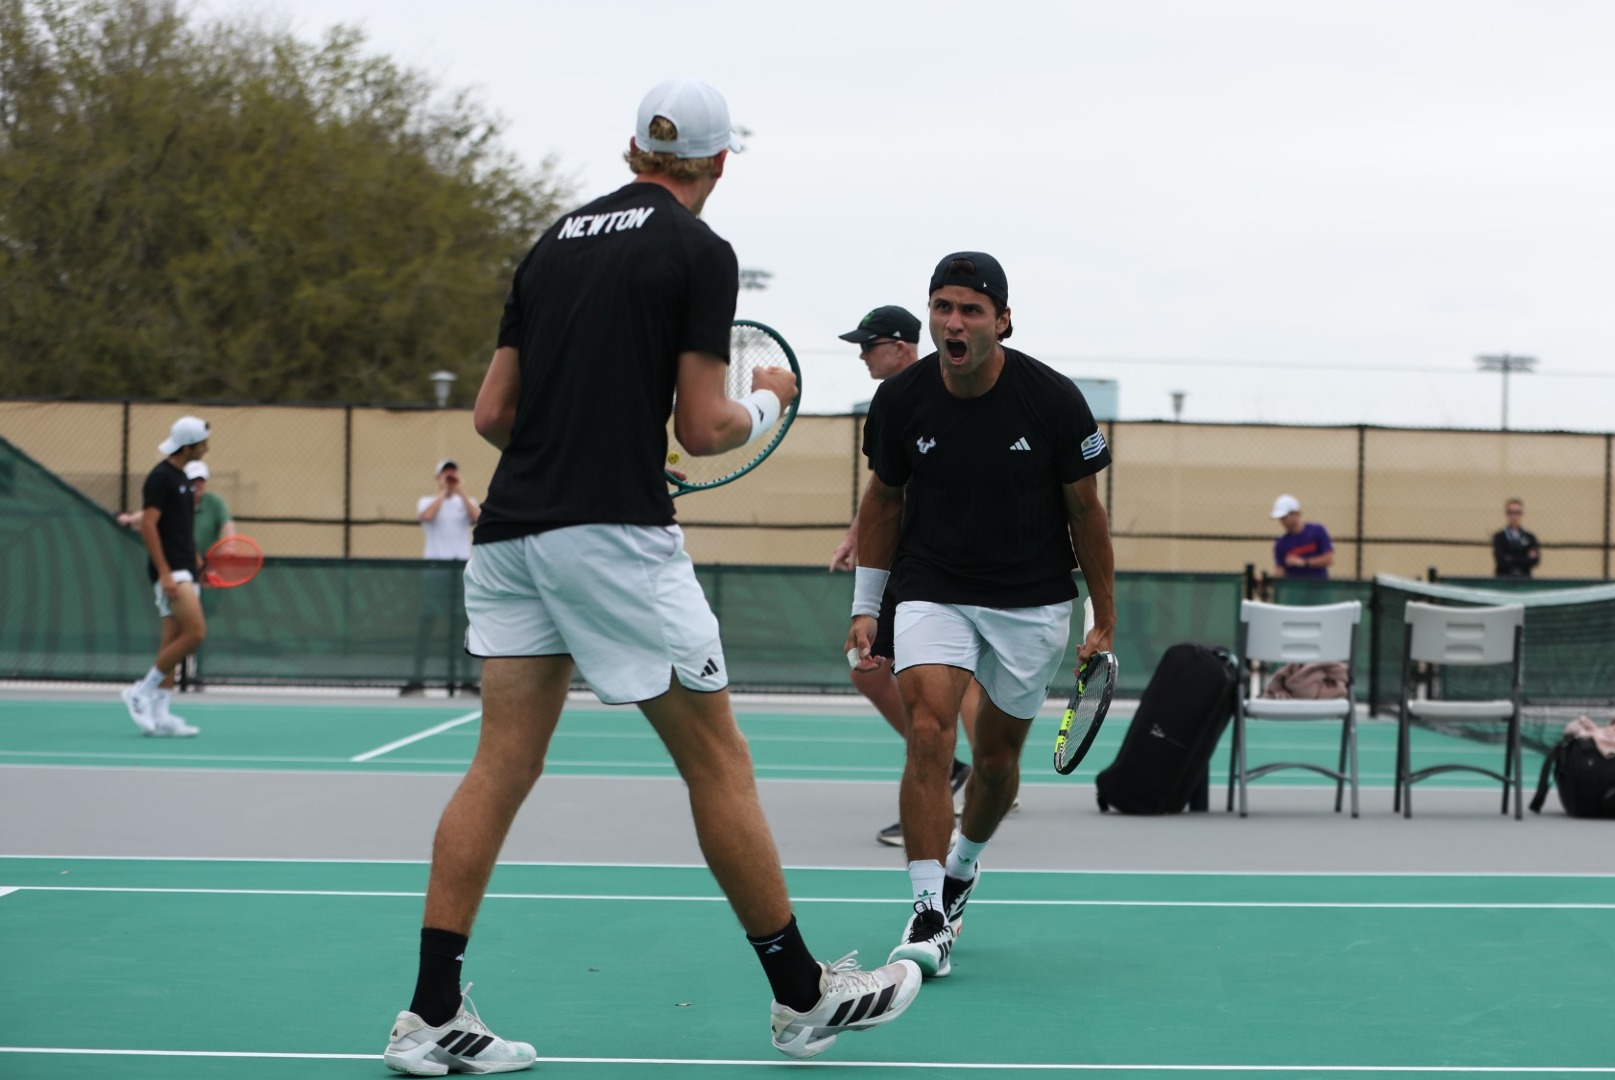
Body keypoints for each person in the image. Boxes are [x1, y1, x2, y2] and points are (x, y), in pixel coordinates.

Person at [381, 78, 919, 1077]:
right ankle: (803, 997)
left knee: (500, 763)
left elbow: (494, 416)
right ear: (719, 164)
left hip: (511, 538)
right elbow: (704, 427)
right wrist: (766, 400)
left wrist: (607, 437)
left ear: (634, 149)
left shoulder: (549, 246)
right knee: (718, 761)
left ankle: (428, 1013)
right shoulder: (697, 252)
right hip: (610, 542)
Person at [845, 251, 1115, 980]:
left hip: (1032, 600)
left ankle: (965, 865)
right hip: (932, 583)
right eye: (942, 306)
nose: (953, 322)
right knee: (929, 727)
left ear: (1001, 321)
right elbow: (883, 501)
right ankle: (929, 911)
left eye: (970, 309)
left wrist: (1103, 617)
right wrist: (868, 608)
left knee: (996, 763)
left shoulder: (1053, 400)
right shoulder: (901, 400)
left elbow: (1086, 513)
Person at [830, 304, 982, 847]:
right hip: (913, 560)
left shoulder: (940, 394)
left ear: (900, 346)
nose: (864, 355)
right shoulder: (896, 401)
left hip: (927, 563)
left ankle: (958, 774)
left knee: (883, 670)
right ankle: (971, 773)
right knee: (910, 675)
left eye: (869, 345)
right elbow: (884, 491)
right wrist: (857, 537)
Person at [119, 416, 210, 737]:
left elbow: (178, 526)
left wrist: (197, 559)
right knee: (196, 633)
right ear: (188, 446)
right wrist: (165, 573)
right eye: (203, 443)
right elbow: (149, 525)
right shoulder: (161, 477)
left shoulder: (182, 479)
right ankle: (140, 692)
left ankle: (161, 714)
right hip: (171, 569)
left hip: (185, 565)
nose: (207, 448)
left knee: (172, 642)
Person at [405, 460, 479, 695]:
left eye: (453, 472)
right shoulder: (427, 502)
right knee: (426, 625)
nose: (450, 476)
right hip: (435, 572)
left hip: (461, 574)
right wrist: (444, 492)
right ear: (437, 477)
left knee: (463, 629)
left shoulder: (466, 502)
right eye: (445, 473)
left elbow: (477, 518)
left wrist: (460, 491)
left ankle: (466, 682)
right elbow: (427, 517)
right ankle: (417, 680)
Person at [1271, 494, 1334, 579]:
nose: (1282, 522)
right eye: (1280, 518)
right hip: (1295, 590)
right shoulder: (1281, 543)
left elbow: (1328, 559)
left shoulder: (1318, 531)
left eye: (1284, 517)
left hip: (1319, 588)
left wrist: (1304, 562)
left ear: (1296, 514)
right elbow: (1279, 570)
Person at [1492, 498, 1540, 578]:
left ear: (1521, 514)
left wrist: (1511, 558)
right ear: (1507, 514)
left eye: (1517, 513)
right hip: (1504, 578)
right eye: (1511, 512)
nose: (1514, 516)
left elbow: (1535, 561)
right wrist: (1524, 557)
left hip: (1524, 579)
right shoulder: (1500, 537)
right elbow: (1501, 561)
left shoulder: (1530, 537)